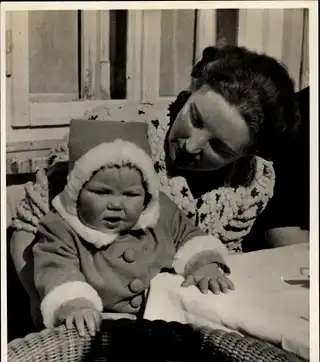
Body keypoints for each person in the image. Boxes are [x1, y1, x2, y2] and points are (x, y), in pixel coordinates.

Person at [9, 44, 302, 331]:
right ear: (193, 88)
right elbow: (29, 226)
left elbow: (219, 259)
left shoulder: (251, 183)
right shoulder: (113, 129)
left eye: (219, 148)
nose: (191, 145)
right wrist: (46, 305)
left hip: (168, 326)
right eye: (195, 118)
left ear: (247, 154)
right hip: (80, 317)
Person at [33, 136, 234, 337]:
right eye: (102, 192)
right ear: (77, 193)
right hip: (101, 324)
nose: (116, 204)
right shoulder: (61, 228)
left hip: (162, 319)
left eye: (130, 195)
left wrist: (203, 263)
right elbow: (56, 268)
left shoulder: (160, 213)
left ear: (145, 196)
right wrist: (75, 303)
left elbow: (187, 235)